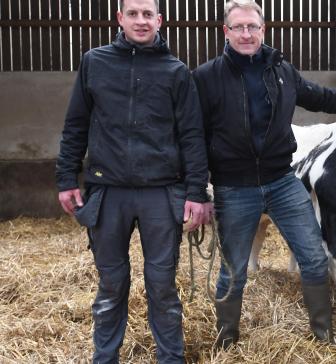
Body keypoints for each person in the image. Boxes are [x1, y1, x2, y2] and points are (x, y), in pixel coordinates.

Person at [192, 0, 336, 348]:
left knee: (315, 258)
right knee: (233, 269)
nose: (245, 33)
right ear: (226, 32)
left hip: (282, 181)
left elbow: (323, 97)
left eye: (252, 27)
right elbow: (192, 137)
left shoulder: (280, 69)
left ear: (263, 30)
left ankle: (322, 337)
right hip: (234, 186)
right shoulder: (206, 77)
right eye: (238, 27)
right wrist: (197, 190)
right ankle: (226, 342)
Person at [55, 0, 209, 362]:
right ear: (120, 18)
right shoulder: (95, 62)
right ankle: (105, 357)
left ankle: (170, 357)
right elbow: (76, 124)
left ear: (160, 19)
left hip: (161, 191)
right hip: (108, 191)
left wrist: (196, 192)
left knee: (162, 285)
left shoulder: (176, 71)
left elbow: (192, 136)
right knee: (111, 282)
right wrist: (66, 177)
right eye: (133, 14)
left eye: (148, 14)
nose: (141, 21)